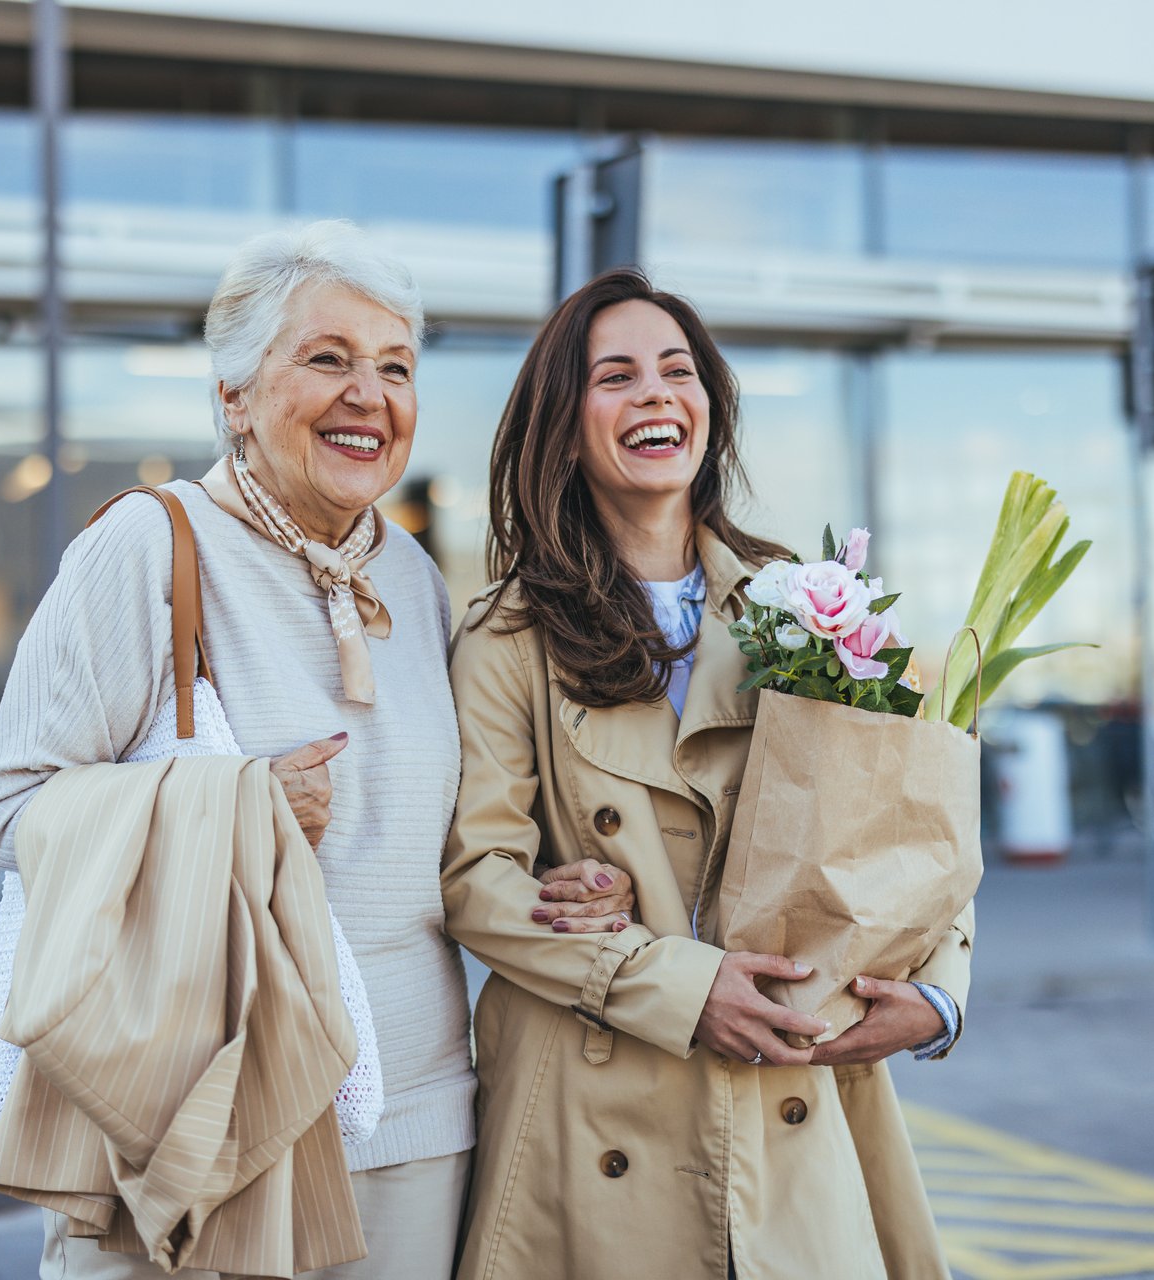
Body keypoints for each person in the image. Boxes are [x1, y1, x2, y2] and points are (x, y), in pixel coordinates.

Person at [0, 221, 632, 1279]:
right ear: (233, 394)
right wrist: (232, 804)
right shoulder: (146, 545)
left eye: (395, 367)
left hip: (411, 1117)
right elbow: (10, 812)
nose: (368, 393)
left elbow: (442, 829)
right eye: (327, 358)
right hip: (200, 1101)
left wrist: (555, 883)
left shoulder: (413, 579)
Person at [443, 268, 973, 1280]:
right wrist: (684, 984)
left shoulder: (809, 602)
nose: (656, 393)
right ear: (562, 429)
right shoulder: (506, 637)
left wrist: (941, 994)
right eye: (616, 375)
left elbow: (910, 813)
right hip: (596, 1107)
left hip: (793, 1093)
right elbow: (477, 878)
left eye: (677, 370)